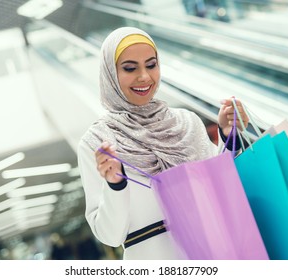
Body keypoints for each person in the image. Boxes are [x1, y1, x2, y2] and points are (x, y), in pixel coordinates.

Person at [77, 26, 249, 260]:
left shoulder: (186, 123)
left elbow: (221, 191)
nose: (144, 77)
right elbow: (110, 236)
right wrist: (115, 185)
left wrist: (229, 136)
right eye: (130, 68)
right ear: (110, 73)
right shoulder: (97, 142)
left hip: (214, 254)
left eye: (151, 65)